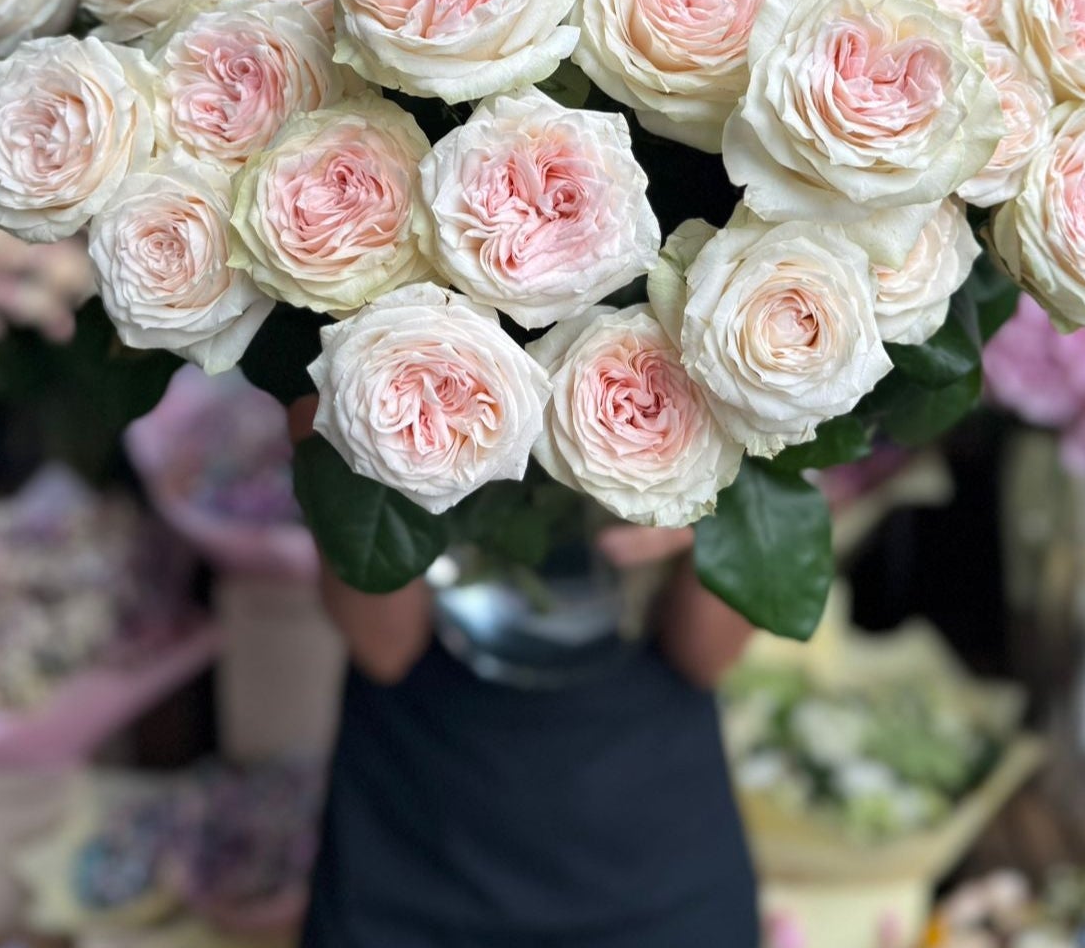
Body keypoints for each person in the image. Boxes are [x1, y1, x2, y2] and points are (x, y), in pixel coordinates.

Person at [289, 397, 760, 948]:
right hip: (414, 837)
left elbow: (705, 653)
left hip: (658, 848)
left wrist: (718, 472)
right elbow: (383, 642)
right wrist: (358, 405)